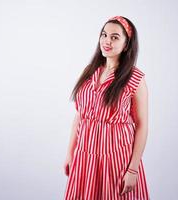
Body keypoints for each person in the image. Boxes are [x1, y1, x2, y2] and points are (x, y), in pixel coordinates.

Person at [63, 16, 150, 200]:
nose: (107, 41)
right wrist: (70, 153)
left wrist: (133, 169)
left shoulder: (135, 78)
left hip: (117, 160)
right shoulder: (89, 71)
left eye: (115, 37)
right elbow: (80, 116)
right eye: (104, 35)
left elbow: (142, 125)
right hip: (85, 159)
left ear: (126, 44)